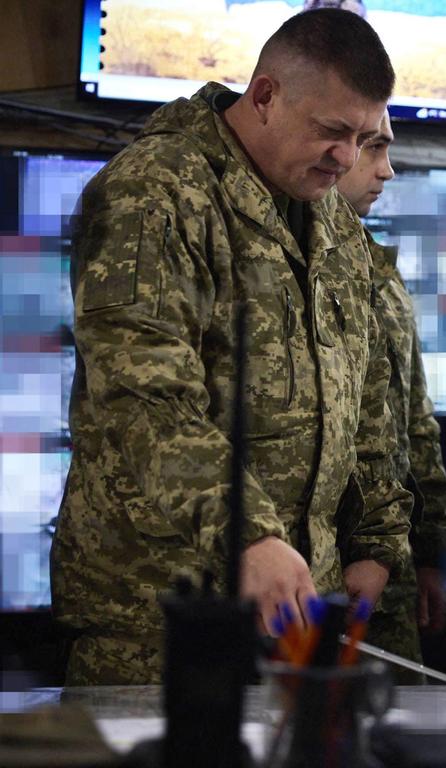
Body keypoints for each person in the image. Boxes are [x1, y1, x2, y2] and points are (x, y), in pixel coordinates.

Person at [51, 9, 411, 685]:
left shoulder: (327, 210)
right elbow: (143, 396)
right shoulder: (156, 192)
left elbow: (364, 391)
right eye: (333, 131)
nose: (347, 157)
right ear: (266, 96)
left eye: (362, 137)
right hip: (160, 621)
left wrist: (375, 541)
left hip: (299, 619)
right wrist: (246, 536)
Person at [337, 112, 446, 680]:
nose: (385, 171)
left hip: (390, 570)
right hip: (319, 569)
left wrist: (432, 552)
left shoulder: (379, 270)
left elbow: (415, 420)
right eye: (373, 148)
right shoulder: (276, 264)